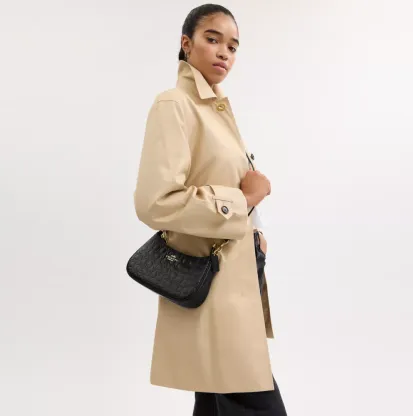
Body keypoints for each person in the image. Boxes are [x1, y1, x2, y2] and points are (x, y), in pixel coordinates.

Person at [133, 4, 287, 415]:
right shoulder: (174, 105)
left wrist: (256, 236)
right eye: (213, 39)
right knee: (252, 397)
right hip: (212, 279)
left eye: (233, 47)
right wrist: (245, 200)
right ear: (187, 44)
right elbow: (155, 201)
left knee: (217, 399)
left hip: (238, 273)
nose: (224, 53)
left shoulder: (217, 111)